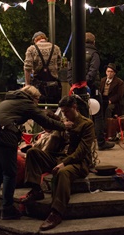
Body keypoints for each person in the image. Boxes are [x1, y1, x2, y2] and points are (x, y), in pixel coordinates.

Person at [0, 86, 70, 220]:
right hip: (3, 137)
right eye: (37, 99)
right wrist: (64, 126)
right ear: (32, 97)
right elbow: (43, 119)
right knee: (9, 173)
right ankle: (7, 209)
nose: (37, 103)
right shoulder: (26, 102)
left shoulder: (8, 100)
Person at [20, 95, 96, 231]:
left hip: (77, 162)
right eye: (62, 111)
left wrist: (64, 163)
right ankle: (36, 189)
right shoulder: (63, 122)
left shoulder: (86, 124)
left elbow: (82, 151)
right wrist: (60, 128)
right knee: (33, 153)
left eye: (67, 111)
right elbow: (54, 144)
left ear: (74, 108)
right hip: (59, 157)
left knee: (62, 172)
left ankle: (56, 213)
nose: (65, 114)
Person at [0, 112, 67, 208]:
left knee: (1, 156)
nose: (41, 126)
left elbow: (40, 154)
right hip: (29, 155)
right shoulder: (45, 133)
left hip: (30, 161)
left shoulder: (54, 135)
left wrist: (22, 153)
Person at [68, 32, 114, 151]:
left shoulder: (75, 53)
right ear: (94, 42)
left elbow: (69, 70)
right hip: (92, 88)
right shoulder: (94, 54)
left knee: (81, 115)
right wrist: (86, 83)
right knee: (98, 115)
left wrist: (73, 84)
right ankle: (100, 142)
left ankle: (82, 141)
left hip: (76, 88)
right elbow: (93, 71)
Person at [24, 31, 62, 104]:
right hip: (53, 85)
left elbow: (27, 68)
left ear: (35, 40)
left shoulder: (31, 49)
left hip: (38, 86)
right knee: (53, 109)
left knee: (38, 108)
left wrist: (27, 85)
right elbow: (59, 66)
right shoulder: (56, 48)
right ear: (45, 38)